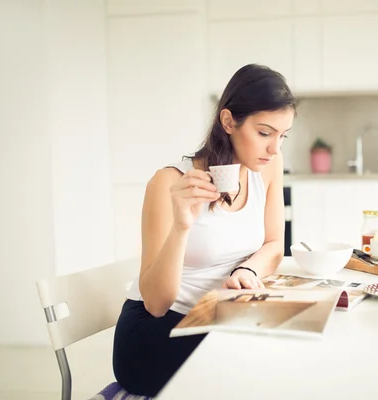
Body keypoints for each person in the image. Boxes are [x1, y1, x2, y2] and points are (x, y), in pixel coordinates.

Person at [112, 64, 298, 397]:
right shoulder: (169, 182)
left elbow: (273, 245)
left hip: (220, 315)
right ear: (228, 121)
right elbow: (155, 303)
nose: (275, 149)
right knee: (264, 370)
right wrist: (183, 226)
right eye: (265, 133)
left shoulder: (267, 169)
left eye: (282, 136)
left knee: (291, 346)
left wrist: (246, 269)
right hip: (159, 331)